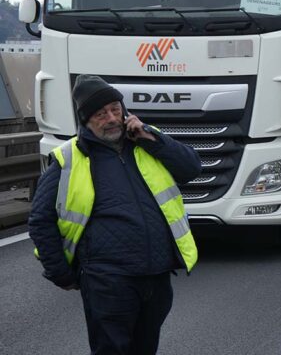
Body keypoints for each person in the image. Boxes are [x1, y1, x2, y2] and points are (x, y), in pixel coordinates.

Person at [29, 75, 202, 355]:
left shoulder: (148, 141)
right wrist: (60, 272)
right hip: (108, 281)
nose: (110, 118)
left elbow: (191, 168)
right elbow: (39, 220)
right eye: (100, 114)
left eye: (115, 109)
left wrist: (153, 138)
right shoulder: (69, 158)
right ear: (85, 121)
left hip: (156, 276)